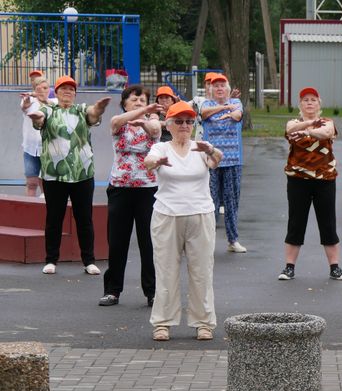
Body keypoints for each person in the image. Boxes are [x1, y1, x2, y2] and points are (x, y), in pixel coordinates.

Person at [143, 101, 222, 341]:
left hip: (200, 214)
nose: (184, 126)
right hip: (167, 216)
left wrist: (209, 151)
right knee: (166, 270)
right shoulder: (161, 148)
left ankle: (204, 323)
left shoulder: (201, 147)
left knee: (201, 271)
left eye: (189, 121)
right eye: (178, 121)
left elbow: (217, 158)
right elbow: (148, 163)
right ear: (169, 125)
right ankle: (162, 323)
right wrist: (156, 163)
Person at [27, 76, 110, 276]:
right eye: (63, 89)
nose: (67, 92)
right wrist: (35, 116)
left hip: (82, 173)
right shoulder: (49, 110)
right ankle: (51, 260)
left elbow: (93, 114)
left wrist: (99, 108)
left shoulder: (81, 110)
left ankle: (88, 260)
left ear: (75, 93)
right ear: (56, 92)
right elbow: (39, 118)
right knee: (54, 218)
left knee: (84, 218)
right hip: (54, 175)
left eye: (71, 89)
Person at [99, 86, 162, 308]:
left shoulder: (152, 121)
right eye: (133, 99)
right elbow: (115, 122)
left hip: (148, 189)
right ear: (125, 102)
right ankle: (112, 291)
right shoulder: (119, 122)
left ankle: (152, 292)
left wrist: (145, 118)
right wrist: (137, 114)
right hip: (120, 188)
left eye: (142, 99)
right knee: (117, 241)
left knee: (149, 242)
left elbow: (155, 130)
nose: (138, 102)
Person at [279, 86, 342, 282]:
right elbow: (290, 129)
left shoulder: (328, 122)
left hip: (324, 180)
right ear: (300, 104)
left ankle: (335, 268)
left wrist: (307, 131)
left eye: (313, 100)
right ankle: (289, 267)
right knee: (296, 222)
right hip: (297, 180)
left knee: (328, 223)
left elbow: (326, 133)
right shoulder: (293, 122)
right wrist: (309, 125)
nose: (309, 103)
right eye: (305, 100)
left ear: (319, 104)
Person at [201, 73, 246, 252]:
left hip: (233, 160)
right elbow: (204, 114)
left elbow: (236, 115)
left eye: (222, 86)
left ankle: (233, 240)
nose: (219, 88)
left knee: (231, 202)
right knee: (210, 202)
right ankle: (207, 242)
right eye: (216, 86)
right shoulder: (206, 104)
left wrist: (228, 109)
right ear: (211, 90)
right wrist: (223, 108)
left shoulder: (236, 103)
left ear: (227, 89)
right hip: (212, 162)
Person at [19, 77, 54, 198]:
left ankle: (47, 209)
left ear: (49, 89)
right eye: (39, 89)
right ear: (34, 90)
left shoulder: (53, 103)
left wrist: (41, 95)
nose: (43, 91)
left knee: (46, 183)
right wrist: (29, 99)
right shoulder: (30, 102)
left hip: (47, 150)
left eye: (45, 88)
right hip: (30, 150)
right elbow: (24, 106)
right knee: (31, 183)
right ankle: (30, 209)